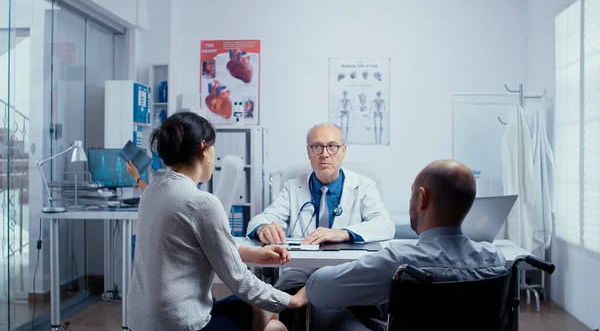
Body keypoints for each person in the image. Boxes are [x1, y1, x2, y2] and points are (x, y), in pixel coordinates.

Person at [127, 112, 307, 331]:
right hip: (178, 323)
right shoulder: (201, 202)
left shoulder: (151, 192)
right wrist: (293, 301)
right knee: (275, 325)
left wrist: (253, 254)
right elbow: (239, 280)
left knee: (262, 309)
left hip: (142, 321)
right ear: (204, 148)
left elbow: (199, 246)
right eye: (213, 147)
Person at [304, 159, 509, 331]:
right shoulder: (494, 258)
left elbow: (316, 290)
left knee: (330, 311)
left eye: (412, 194)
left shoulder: (401, 263)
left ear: (422, 198)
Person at [246, 123, 394, 328]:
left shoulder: (364, 186)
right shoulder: (293, 187)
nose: (324, 154)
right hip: (300, 274)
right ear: (308, 152)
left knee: (336, 310)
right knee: (287, 306)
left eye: (332, 146)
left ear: (343, 151)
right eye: (317, 147)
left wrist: (343, 233)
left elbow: (385, 225)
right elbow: (259, 220)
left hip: (347, 273)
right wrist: (263, 228)